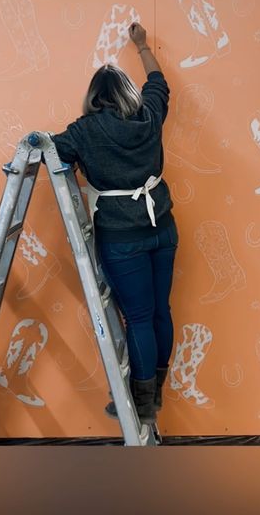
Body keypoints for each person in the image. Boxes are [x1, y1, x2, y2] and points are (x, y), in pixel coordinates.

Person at [50, 22, 178, 425]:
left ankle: (141, 404)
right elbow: (159, 82)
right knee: (159, 311)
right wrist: (141, 46)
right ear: (128, 93)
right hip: (164, 229)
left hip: (123, 239)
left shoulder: (84, 132)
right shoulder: (149, 116)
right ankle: (153, 389)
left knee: (138, 318)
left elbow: (48, 149)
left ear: (93, 98)